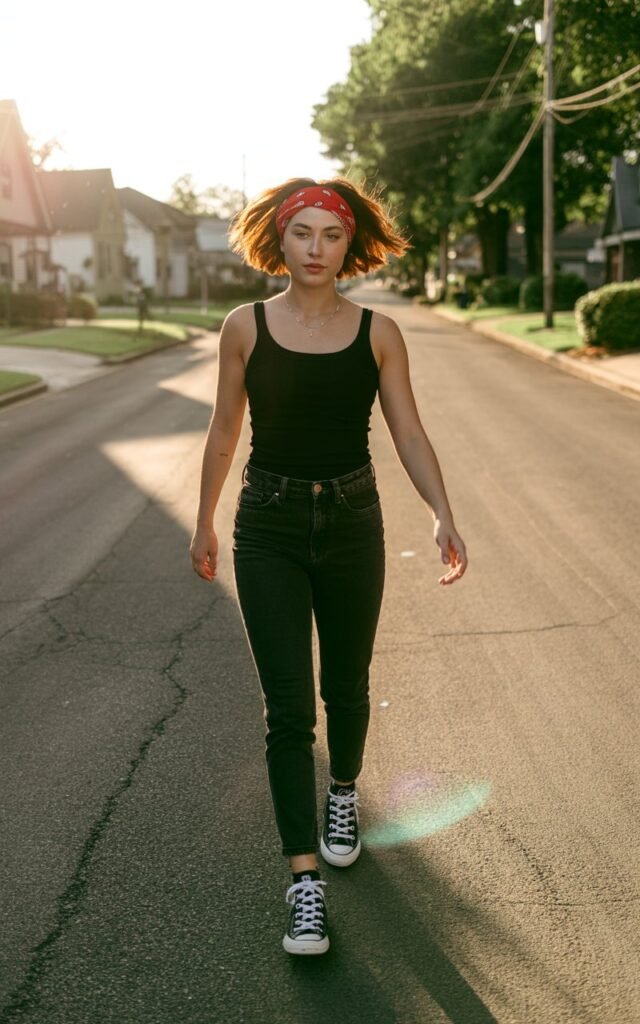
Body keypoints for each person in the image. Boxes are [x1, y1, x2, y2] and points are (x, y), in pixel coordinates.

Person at [189, 177, 468, 956]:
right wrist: (205, 519)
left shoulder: (378, 332)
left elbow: (409, 432)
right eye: (302, 233)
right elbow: (222, 430)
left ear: (351, 244)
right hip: (267, 525)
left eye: (331, 235)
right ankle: (303, 882)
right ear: (280, 238)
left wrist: (442, 512)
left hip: (353, 522)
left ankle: (343, 794)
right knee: (287, 710)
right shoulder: (243, 327)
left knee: (347, 685)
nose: (316, 249)